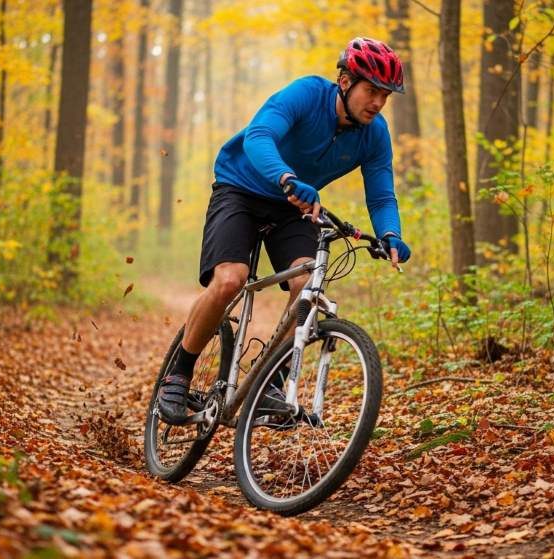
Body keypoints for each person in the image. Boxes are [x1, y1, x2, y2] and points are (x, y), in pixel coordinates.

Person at [158, 37, 413, 425]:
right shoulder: (306, 94)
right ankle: (179, 372)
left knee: (308, 285)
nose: (378, 103)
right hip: (241, 189)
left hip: (293, 208)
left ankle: (268, 386)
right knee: (230, 280)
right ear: (345, 81)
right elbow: (258, 136)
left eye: (385, 95)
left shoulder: (375, 134)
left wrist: (390, 234)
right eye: (372, 91)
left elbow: (381, 195)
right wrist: (286, 176)